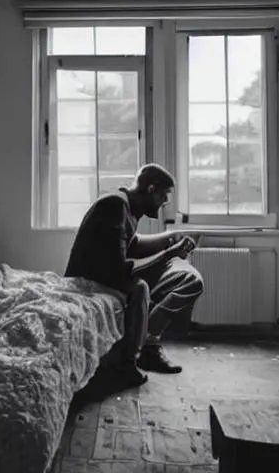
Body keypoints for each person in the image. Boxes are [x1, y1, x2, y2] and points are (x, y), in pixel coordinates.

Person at [64, 163, 204, 390]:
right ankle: (127, 366)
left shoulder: (127, 206)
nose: (165, 202)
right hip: (90, 281)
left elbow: (133, 243)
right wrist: (168, 252)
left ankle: (149, 340)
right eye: (164, 195)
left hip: (107, 275)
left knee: (186, 278)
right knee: (139, 288)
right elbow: (120, 270)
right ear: (150, 189)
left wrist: (170, 238)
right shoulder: (115, 206)